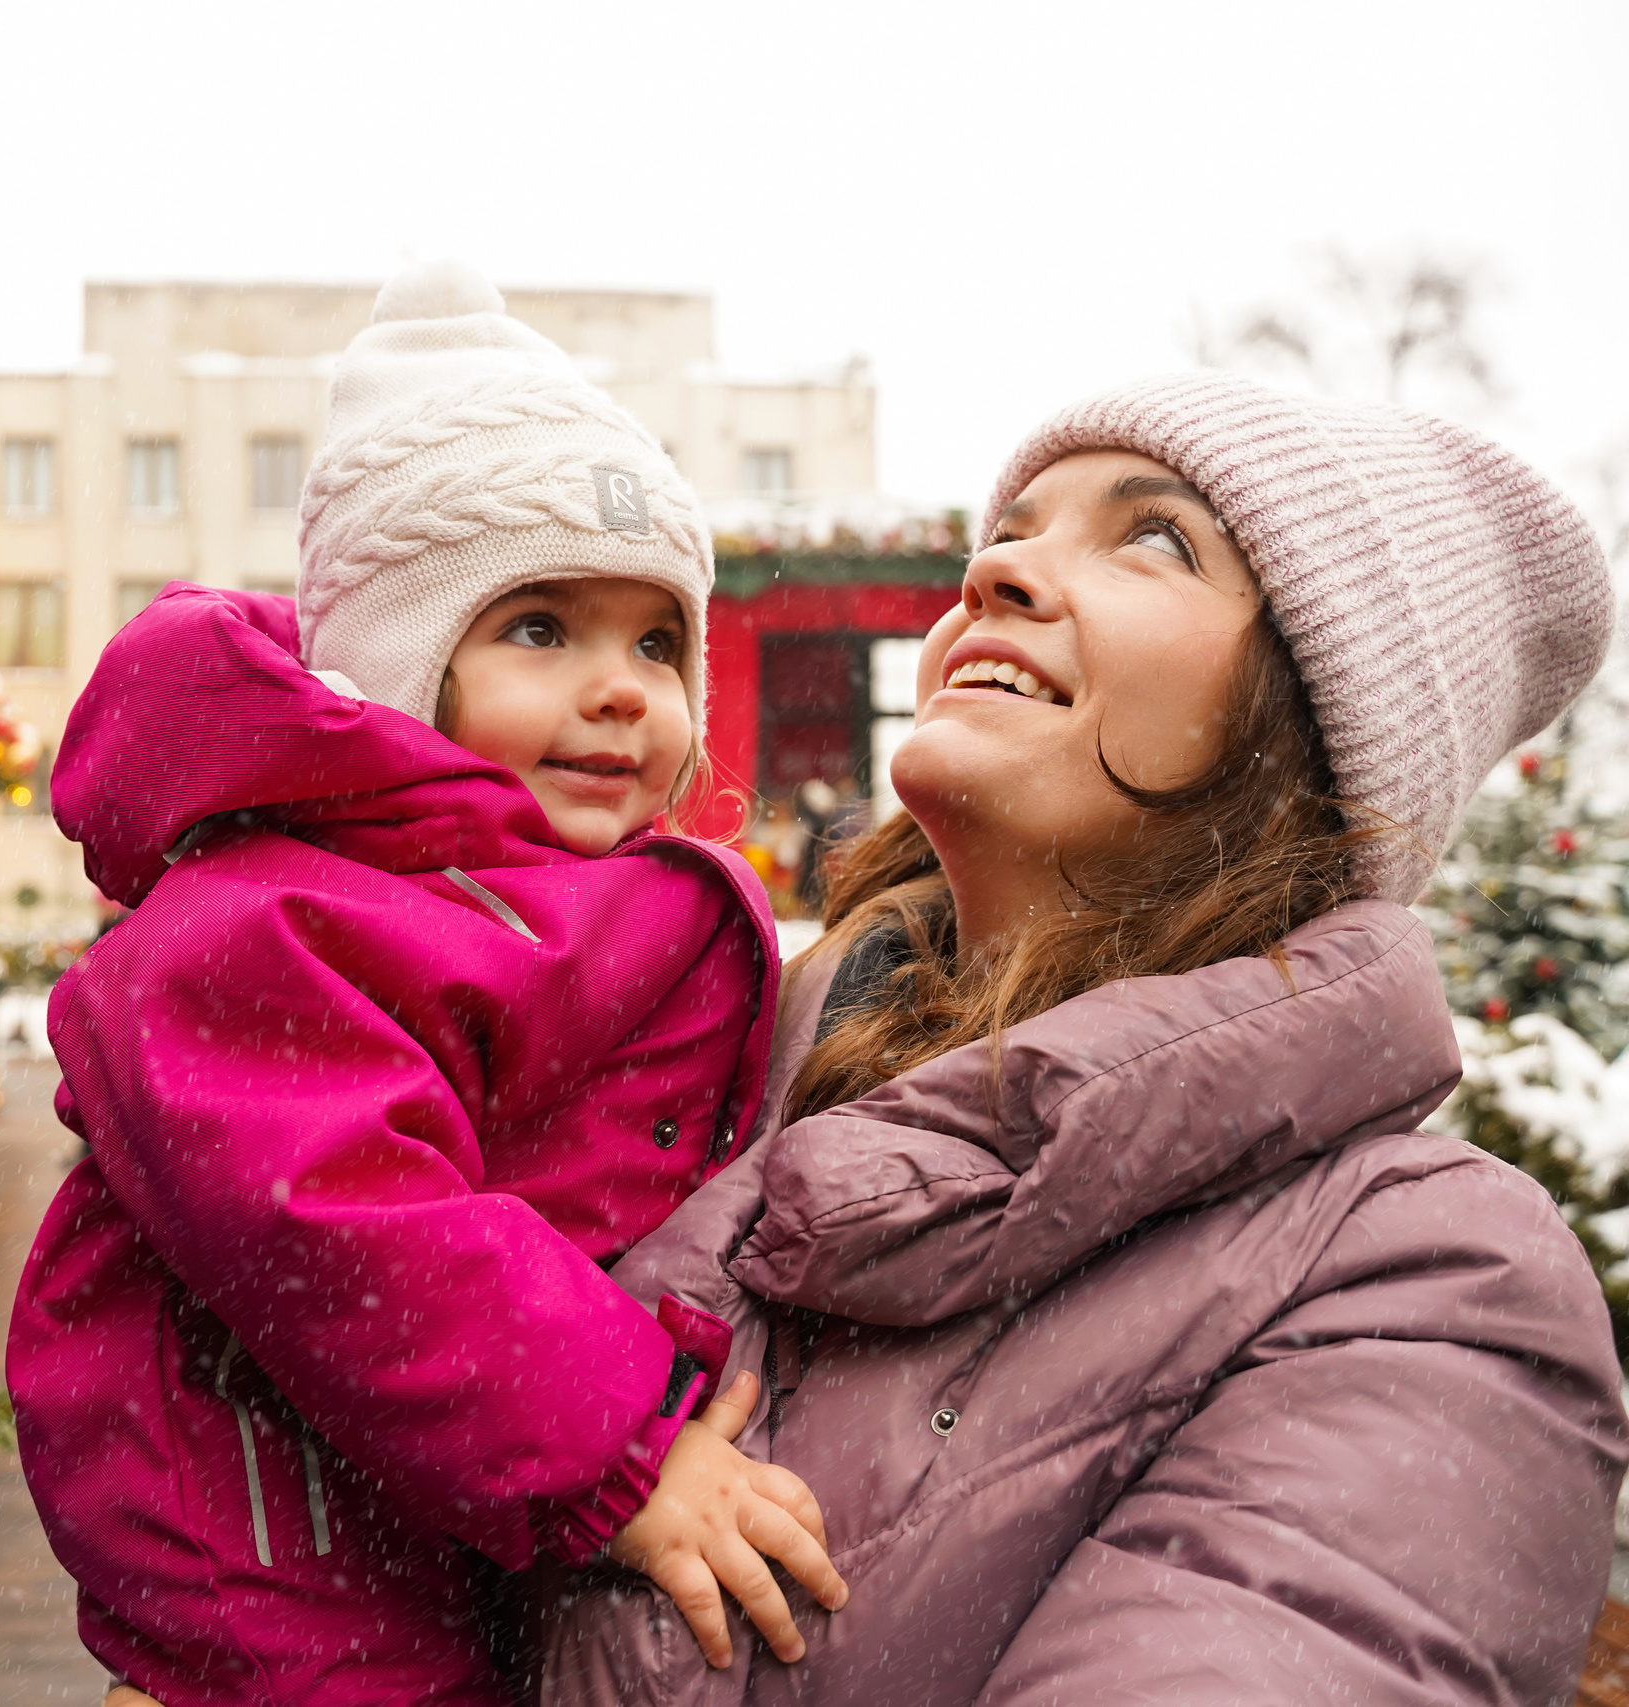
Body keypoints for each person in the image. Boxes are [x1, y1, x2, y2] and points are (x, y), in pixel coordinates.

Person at [541, 371, 1629, 1704]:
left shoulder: (1427, 1287)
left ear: (1309, 725)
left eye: (1153, 537)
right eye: (1012, 531)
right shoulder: (683, 1079)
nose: (997, 571)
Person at [8, 263, 845, 1705]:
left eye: (657, 639)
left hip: (434, 1527)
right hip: (280, 1572)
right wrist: (622, 1453)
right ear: (401, 666)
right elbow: (347, 1220)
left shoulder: (551, 897)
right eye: (541, 629)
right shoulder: (277, 914)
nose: (622, 687)